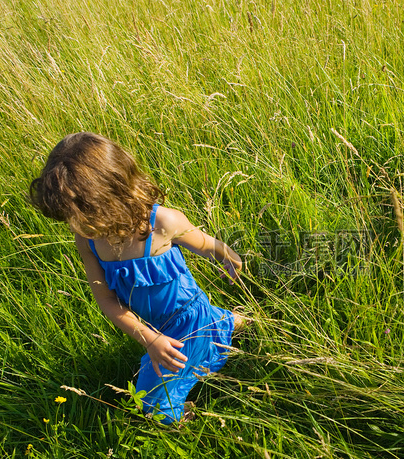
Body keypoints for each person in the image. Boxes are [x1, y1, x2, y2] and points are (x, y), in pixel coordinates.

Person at [29, 132, 244, 423]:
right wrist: (150, 338)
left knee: (151, 407)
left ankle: (217, 337)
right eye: (72, 218)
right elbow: (105, 298)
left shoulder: (163, 224)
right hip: (158, 332)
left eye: (85, 214)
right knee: (159, 380)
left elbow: (205, 244)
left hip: (189, 324)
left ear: (116, 192)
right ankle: (229, 323)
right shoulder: (88, 239)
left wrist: (228, 256)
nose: (79, 225)